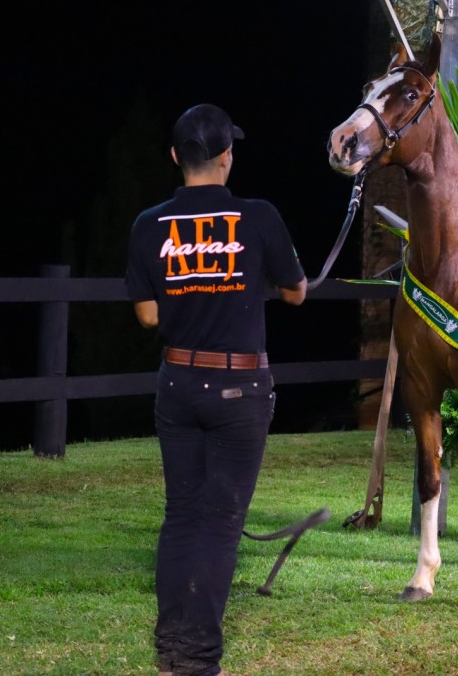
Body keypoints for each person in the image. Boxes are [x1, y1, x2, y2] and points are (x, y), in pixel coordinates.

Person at [125, 103, 307, 676]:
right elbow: (297, 292)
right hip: (238, 389)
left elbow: (149, 316)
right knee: (220, 524)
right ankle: (197, 661)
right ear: (227, 156)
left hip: (177, 382)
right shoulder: (258, 217)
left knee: (181, 514)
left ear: (175, 157)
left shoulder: (148, 224)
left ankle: (170, 650)